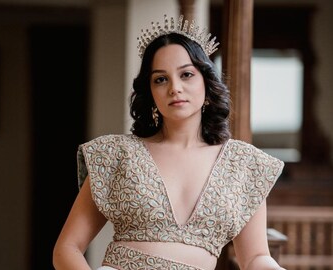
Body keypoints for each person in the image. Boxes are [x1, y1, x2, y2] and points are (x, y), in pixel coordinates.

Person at [53, 14, 286, 270]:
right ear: (150, 92)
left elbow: (255, 258)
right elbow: (67, 248)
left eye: (186, 74)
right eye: (160, 79)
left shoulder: (244, 164)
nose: (174, 88)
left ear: (207, 83)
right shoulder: (116, 155)